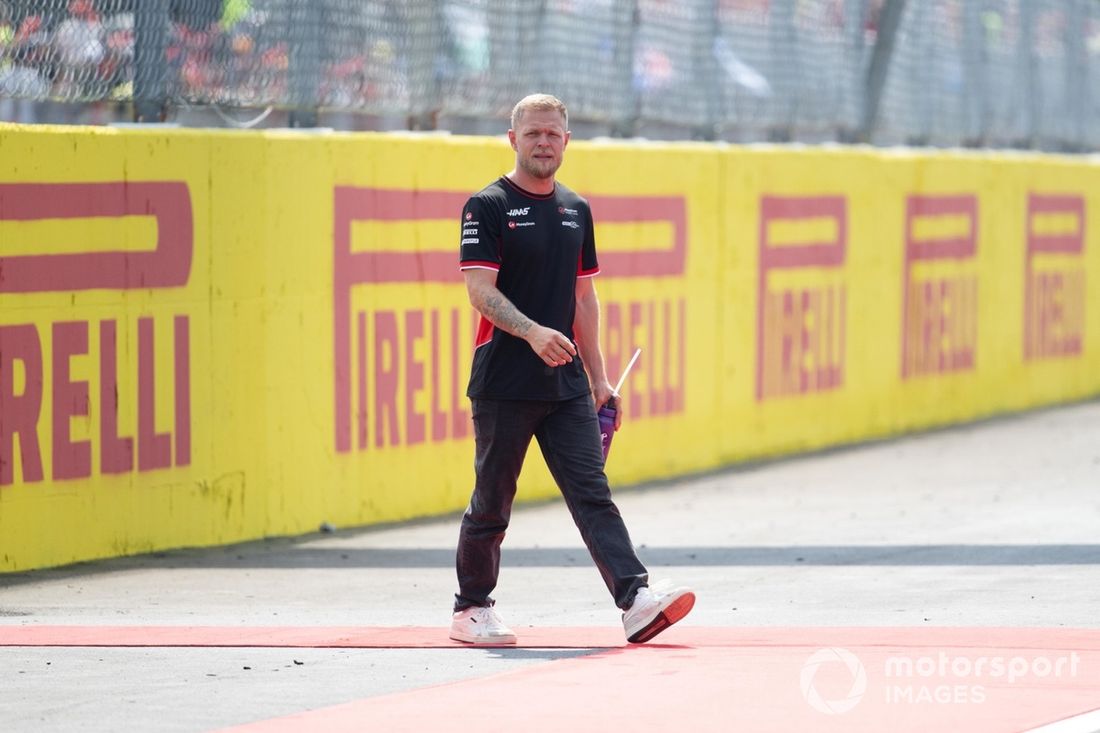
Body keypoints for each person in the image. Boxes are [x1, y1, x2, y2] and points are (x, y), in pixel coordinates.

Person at [451, 93, 695, 645]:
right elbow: (478, 291)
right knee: (493, 500)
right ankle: (471, 610)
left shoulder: (575, 209)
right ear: (513, 140)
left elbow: (585, 298)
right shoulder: (486, 206)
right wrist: (533, 332)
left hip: (565, 385)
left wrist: (600, 378)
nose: (543, 143)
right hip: (502, 381)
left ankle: (635, 600)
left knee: (592, 491)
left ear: (566, 141)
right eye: (533, 133)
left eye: (553, 134)